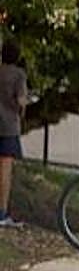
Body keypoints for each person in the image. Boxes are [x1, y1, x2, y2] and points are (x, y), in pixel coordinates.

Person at [0, 40, 28, 228]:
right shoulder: (19, 75)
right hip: (8, 127)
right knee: (5, 171)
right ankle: (1, 212)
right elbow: (21, 101)